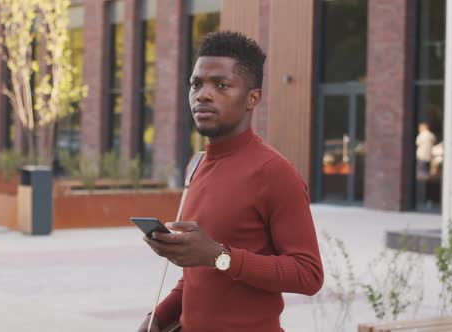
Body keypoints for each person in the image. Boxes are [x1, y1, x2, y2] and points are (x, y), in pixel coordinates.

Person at [138, 31, 324, 332]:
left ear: (252, 98)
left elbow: (309, 274)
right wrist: (159, 315)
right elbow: (198, 273)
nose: (203, 94)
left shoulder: (274, 172)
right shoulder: (196, 165)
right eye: (196, 84)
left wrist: (220, 256)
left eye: (221, 85)